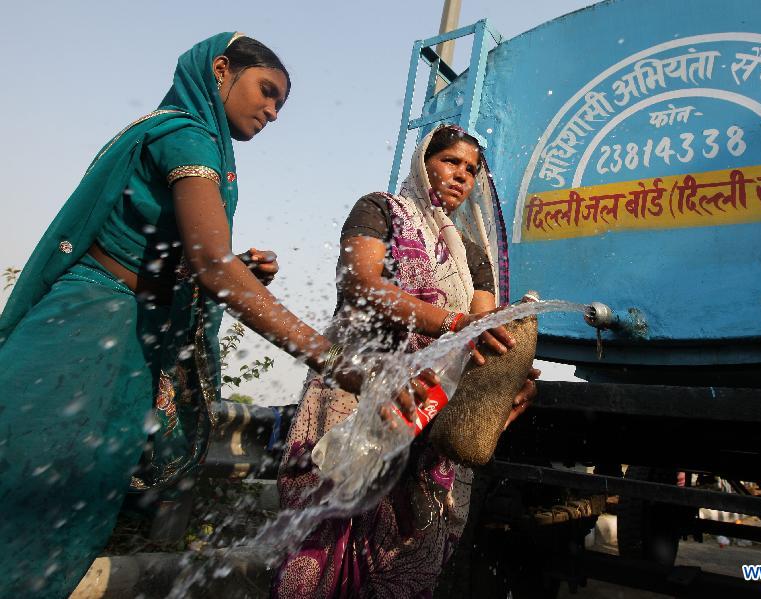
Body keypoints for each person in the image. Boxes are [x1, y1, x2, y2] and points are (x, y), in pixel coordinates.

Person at [0, 32, 419, 597]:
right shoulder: (189, 137)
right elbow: (213, 271)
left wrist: (232, 266)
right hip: (85, 333)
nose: (272, 112)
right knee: (30, 494)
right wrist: (339, 364)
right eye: (266, 91)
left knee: (67, 509)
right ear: (221, 70)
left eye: (280, 104)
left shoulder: (203, 150)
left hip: (125, 337)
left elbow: (188, 261)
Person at [274, 125, 540, 598]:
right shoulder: (379, 211)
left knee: (406, 547)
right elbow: (361, 284)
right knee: (325, 534)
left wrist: (509, 374)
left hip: (428, 403)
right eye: (450, 162)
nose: (461, 176)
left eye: (471, 170)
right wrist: (453, 323)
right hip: (359, 387)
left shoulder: (472, 255)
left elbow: (481, 333)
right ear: (424, 162)